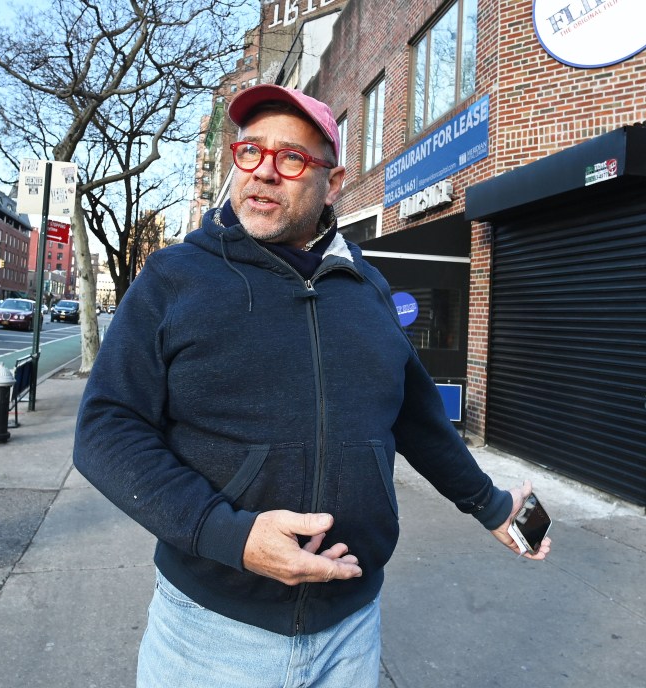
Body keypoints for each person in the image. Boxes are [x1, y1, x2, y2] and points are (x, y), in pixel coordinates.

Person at [73, 84, 551, 688]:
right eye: (250, 152)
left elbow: (417, 420)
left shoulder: (367, 289)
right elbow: (106, 428)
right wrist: (232, 537)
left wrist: (492, 504)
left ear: (335, 179)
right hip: (209, 634)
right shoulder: (174, 278)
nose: (264, 173)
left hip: (350, 629)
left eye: (291, 158)